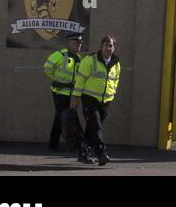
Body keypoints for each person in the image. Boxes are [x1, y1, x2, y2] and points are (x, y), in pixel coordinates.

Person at [71, 35, 122, 166]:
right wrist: (75, 98)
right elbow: (80, 79)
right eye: (106, 45)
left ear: (114, 47)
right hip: (89, 98)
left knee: (92, 128)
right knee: (96, 126)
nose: (108, 48)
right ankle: (102, 154)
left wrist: (112, 94)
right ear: (101, 46)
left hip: (106, 101)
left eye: (111, 45)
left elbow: (115, 81)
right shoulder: (90, 60)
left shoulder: (116, 63)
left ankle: (83, 153)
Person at [41, 31, 83, 152]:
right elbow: (47, 67)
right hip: (59, 92)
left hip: (71, 93)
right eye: (77, 42)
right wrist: (56, 79)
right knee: (61, 117)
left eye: (80, 43)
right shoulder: (60, 54)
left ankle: (58, 143)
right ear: (69, 43)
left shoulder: (78, 58)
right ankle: (56, 144)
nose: (79, 45)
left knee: (63, 118)